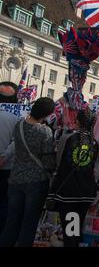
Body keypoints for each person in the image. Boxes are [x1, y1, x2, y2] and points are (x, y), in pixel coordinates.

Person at [0, 97, 55, 247]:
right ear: (47, 114)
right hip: (36, 181)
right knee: (28, 223)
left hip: (16, 177)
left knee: (12, 221)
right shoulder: (45, 131)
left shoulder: (18, 125)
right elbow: (49, 160)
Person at [46, 108, 99, 247]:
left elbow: (58, 162)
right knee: (76, 230)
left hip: (69, 193)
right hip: (86, 193)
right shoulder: (95, 143)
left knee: (71, 232)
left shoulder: (67, 138)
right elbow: (95, 170)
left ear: (77, 121)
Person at [0, 82, 19, 233]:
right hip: (6, 167)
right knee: (3, 203)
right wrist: (4, 157)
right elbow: (15, 142)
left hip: (6, 166)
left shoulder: (16, 118)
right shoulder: (16, 118)